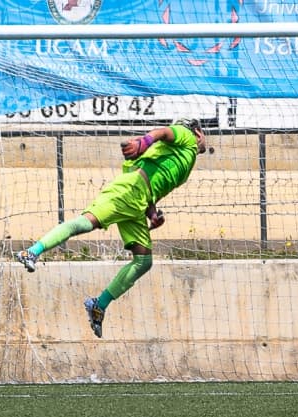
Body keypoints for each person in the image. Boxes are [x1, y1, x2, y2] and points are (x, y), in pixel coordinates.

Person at [15, 118, 208, 338]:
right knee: (85, 223)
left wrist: (152, 213)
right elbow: (163, 132)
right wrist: (144, 141)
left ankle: (99, 305)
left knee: (143, 261)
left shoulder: (177, 156)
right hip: (128, 192)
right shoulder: (187, 137)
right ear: (198, 132)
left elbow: (150, 175)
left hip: (140, 201)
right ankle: (31, 252)